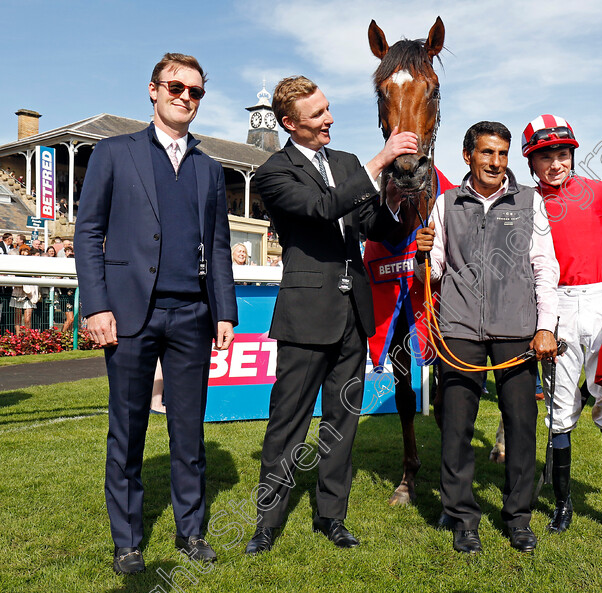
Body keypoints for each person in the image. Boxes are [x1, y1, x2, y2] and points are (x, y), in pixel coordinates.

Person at [74, 52, 238, 575]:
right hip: (128, 315)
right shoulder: (113, 153)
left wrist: (224, 312)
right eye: (175, 87)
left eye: (195, 91)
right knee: (128, 431)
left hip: (192, 315)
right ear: (152, 89)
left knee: (188, 432)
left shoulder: (210, 170)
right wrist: (96, 304)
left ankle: (191, 532)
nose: (185, 97)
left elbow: (217, 246)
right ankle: (127, 541)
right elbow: (88, 233)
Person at [244, 75, 417, 555]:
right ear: (289, 124)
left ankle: (331, 518)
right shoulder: (273, 173)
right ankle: (266, 523)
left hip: (351, 313)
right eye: (318, 114)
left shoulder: (345, 163)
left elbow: (369, 226)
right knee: (288, 423)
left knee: (341, 422)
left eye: (328, 108)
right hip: (305, 313)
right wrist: (378, 162)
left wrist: (393, 203)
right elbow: (320, 209)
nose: (330, 120)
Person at [414, 122, 559, 554]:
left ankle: (518, 518)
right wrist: (424, 253)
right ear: (468, 156)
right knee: (456, 428)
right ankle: (462, 517)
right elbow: (436, 271)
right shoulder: (445, 203)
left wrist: (546, 326)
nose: (496, 162)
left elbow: (544, 268)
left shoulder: (530, 202)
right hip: (458, 329)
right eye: (486, 153)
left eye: (502, 154)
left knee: (520, 427)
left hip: (517, 329)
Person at [522, 114, 602, 540]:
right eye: (545, 156)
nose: (555, 163)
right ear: (532, 163)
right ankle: (564, 506)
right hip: (558, 307)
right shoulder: (529, 202)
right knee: (560, 412)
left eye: (562, 154)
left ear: (573, 154)